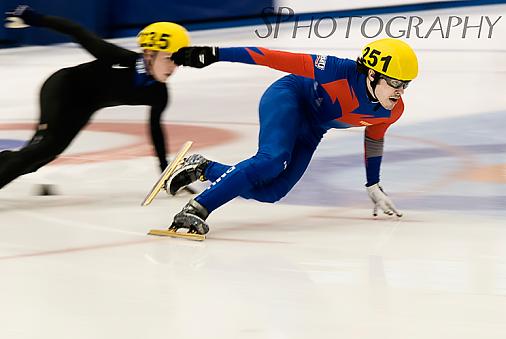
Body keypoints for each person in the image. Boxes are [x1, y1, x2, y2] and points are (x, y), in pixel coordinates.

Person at [164, 38, 418, 235]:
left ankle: (203, 167)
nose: (400, 91)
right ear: (372, 74)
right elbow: (271, 57)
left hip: (313, 129)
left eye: (405, 84)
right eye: (395, 83)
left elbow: (374, 139)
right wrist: (217, 54)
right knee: (272, 160)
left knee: (273, 191)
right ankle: (197, 208)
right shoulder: (336, 70)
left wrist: (373, 184)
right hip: (288, 97)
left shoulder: (394, 110)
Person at [0, 5, 189, 190]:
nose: (173, 67)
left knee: (38, 160)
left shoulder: (158, 93)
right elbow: (77, 31)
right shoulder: (119, 58)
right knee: (43, 148)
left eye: (177, 62)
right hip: (62, 88)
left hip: (84, 107)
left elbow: (155, 129)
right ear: (149, 54)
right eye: (168, 59)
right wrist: (34, 18)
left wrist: (165, 170)